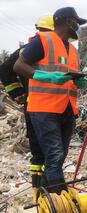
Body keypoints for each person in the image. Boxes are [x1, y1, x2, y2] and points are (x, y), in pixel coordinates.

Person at [13, 7, 87, 194]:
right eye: (76, 23)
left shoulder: (73, 50)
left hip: (67, 109)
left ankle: (46, 196)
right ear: (68, 21)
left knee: (59, 157)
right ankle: (58, 199)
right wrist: (44, 76)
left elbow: (71, 81)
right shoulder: (43, 40)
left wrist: (80, 82)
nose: (78, 27)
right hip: (44, 109)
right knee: (54, 155)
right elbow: (18, 65)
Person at [0, 15, 54, 199]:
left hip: (36, 106)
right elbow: (6, 69)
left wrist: (18, 94)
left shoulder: (28, 50)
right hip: (43, 107)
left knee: (39, 151)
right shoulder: (36, 50)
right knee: (48, 151)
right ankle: (47, 192)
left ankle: (38, 191)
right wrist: (18, 93)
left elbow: (5, 69)